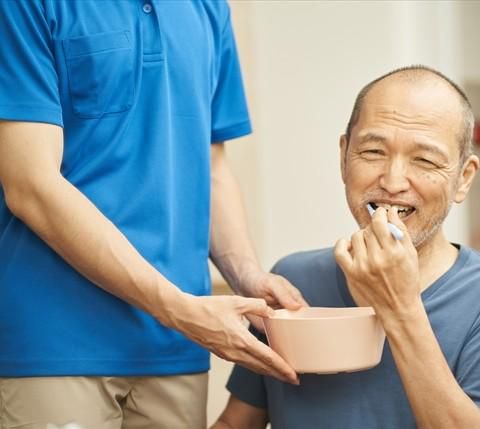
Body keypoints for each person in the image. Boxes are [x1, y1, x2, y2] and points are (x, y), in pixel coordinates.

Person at [0, 1, 306, 428]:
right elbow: (30, 185)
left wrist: (247, 275)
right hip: (57, 340)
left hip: (176, 345)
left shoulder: (209, 9)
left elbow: (211, 166)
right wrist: (179, 309)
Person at [212, 65, 480, 429]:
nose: (391, 181)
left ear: (463, 178)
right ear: (344, 157)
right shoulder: (292, 281)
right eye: (373, 151)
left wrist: (400, 306)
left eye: (424, 160)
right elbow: (236, 422)